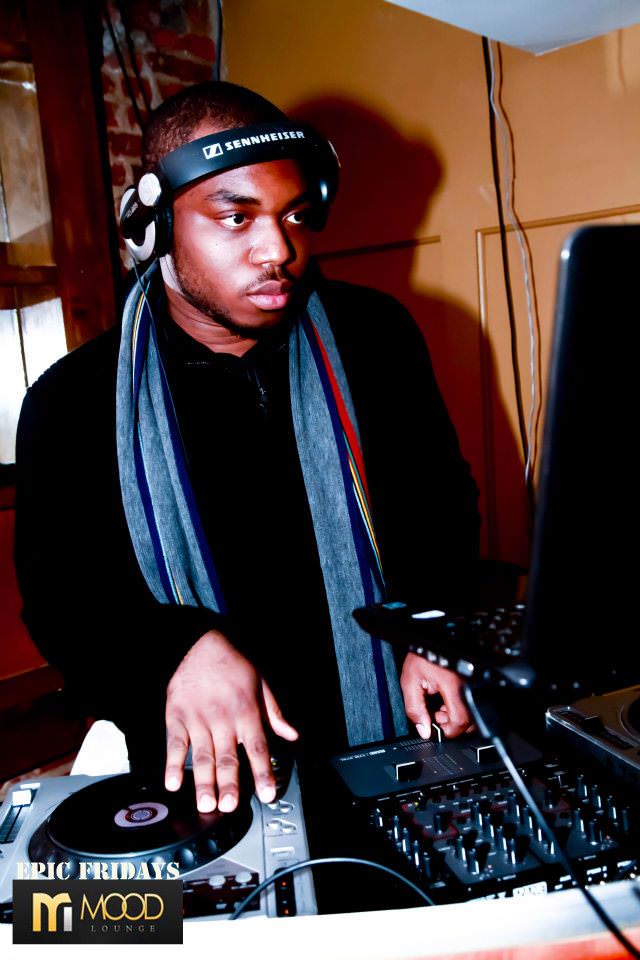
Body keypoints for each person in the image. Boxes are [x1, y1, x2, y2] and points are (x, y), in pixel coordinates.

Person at [15, 82, 480, 819]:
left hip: (399, 749)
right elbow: (63, 601)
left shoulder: (377, 336)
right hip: (207, 781)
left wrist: (434, 630)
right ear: (156, 227)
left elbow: (442, 512)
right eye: (236, 218)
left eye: (293, 215)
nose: (278, 250)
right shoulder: (71, 400)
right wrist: (174, 651)